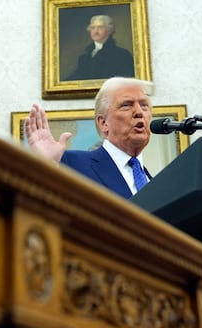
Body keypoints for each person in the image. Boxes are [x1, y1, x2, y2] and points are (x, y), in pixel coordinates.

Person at [24, 77, 153, 199]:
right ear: (103, 123)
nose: (139, 112)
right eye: (126, 105)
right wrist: (46, 166)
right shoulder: (70, 164)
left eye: (144, 105)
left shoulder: (153, 183)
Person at [66, 15, 135, 81]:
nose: (95, 31)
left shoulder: (122, 55)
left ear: (109, 31)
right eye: (93, 28)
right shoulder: (84, 58)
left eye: (100, 27)